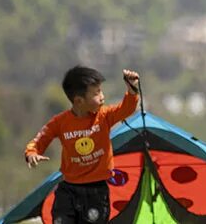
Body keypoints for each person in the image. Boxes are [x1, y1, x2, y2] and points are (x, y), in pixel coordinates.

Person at [25, 65, 140, 223]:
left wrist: (132, 90)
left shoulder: (104, 116)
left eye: (101, 90)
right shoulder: (60, 122)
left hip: (97, 193)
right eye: (96, 93)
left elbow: (126, 109)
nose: (102, 96)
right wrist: (32, 152)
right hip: (68, 191)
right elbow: (42, 138)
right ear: (79, 100)